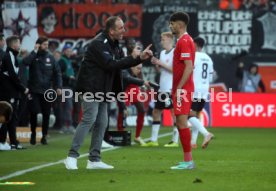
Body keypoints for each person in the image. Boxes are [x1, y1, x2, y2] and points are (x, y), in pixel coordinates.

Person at [64, 16, 153, 170]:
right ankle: (71, 156)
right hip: (90, 87)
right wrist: (135, 58)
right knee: (89, 119)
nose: (124, 30)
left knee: (102, 122)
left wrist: (139, 58)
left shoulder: (115, 45)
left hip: (103, 89)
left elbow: (120, 66)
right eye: (121, 28)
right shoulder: (99, 43)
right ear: (111, 30)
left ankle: (94, 160)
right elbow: (111, 65)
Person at [23, 36, 62, 145]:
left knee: (46, 114)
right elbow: (25, 63)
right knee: (35, 113)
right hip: (34, 90)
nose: (46, 46)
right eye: (44, 44)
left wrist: (58, 86)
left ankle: (44, 136)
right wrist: (34, 51)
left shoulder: (51, 58)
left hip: (47, 91)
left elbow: (57, 73)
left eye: (47, 44)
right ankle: (33, 134)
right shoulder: (33, 56)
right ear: (38, 45)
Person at [169, 12, 195, 170]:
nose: (170, 26)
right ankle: (187, 160)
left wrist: (179, 88)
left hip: (182, 88)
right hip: (181, 87)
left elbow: (189, 66)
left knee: (182, 122)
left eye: (172, 23)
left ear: (179, 24)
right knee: (180, 122)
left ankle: (189, 162)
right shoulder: (184, 40)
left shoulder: (184, 41)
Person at [144, 32, 179, 147]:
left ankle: (175, 141)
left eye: (163, 39)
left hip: (171, 88)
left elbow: (175, 70)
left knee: (174, 112)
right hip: (162, 88)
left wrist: (160, 63)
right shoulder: (163, 53)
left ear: (169, 39)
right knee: (156, 111)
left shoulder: (175, 52)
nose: (161, 41)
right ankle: (154, 140)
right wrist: (156, 64)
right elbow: (161, 71)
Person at [0, 35, 29, 150]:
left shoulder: (12, 56)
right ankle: (2, 141)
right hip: (8, 92)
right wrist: (23, 88)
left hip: (11, 91)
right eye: (18, 43)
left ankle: (13, 143)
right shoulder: (8, 56)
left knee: (11, 117)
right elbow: (12, 75)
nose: (20, 45)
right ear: (13, 45)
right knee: (5, 116)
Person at [188, 36, 214, 149]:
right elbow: (211, 77)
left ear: (196, 45)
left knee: (189, 116)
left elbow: (188, 71)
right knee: (197, 115)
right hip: (204, 90)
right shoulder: (208, 58)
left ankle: (206, 133)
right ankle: (193, 142)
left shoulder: (194, 56)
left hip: (195, 89)